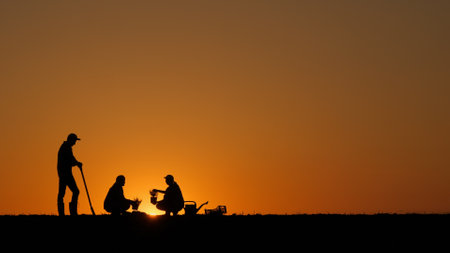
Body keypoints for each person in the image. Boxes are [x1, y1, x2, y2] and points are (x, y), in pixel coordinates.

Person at [57, 133, 83, 216]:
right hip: (65, 174)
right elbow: (70, 160)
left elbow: (72, 158)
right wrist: (77, 163)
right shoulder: (65, 148)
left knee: (63, 193)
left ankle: (66, 213)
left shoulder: (67, 147)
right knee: (74, 191)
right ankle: (72, 212)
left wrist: (77, 163)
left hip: (65, 173)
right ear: (71, 140)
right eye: (74, 140)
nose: (75, 143)